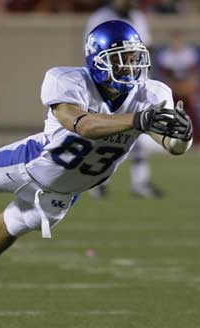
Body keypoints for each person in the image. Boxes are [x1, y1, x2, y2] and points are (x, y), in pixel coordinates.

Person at [0, 20, 193, 301]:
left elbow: (172, 145)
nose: (129, 67)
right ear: (98, 60)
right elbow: (83, 124)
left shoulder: (152, 94)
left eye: (132, 58)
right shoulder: (68, 80)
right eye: (121, 59)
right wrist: (138, 120)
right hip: (31, 162)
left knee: (17, 222)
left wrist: (182, 136)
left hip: (67, 189)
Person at [85, 0, 163, 199]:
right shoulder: (99, 18)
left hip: (134, 80)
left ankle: (140, 182)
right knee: (106, 134)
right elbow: (93, 54)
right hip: (108, 84)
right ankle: (97, 182)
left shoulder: (137, 16)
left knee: (138, 134)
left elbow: (147, 48)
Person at [157, 29, 200, 146]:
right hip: (173, 87)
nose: (177, 42)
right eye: (175, 40)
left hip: (187, 87)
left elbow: (195, 74)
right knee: (169, 114)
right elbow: (164, 76)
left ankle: (197, 141)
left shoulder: (190, 53)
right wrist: (175, 88)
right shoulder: (165, 55)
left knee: (192, 114)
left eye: (179, 40)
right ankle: (170, 140)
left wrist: (189, 87)